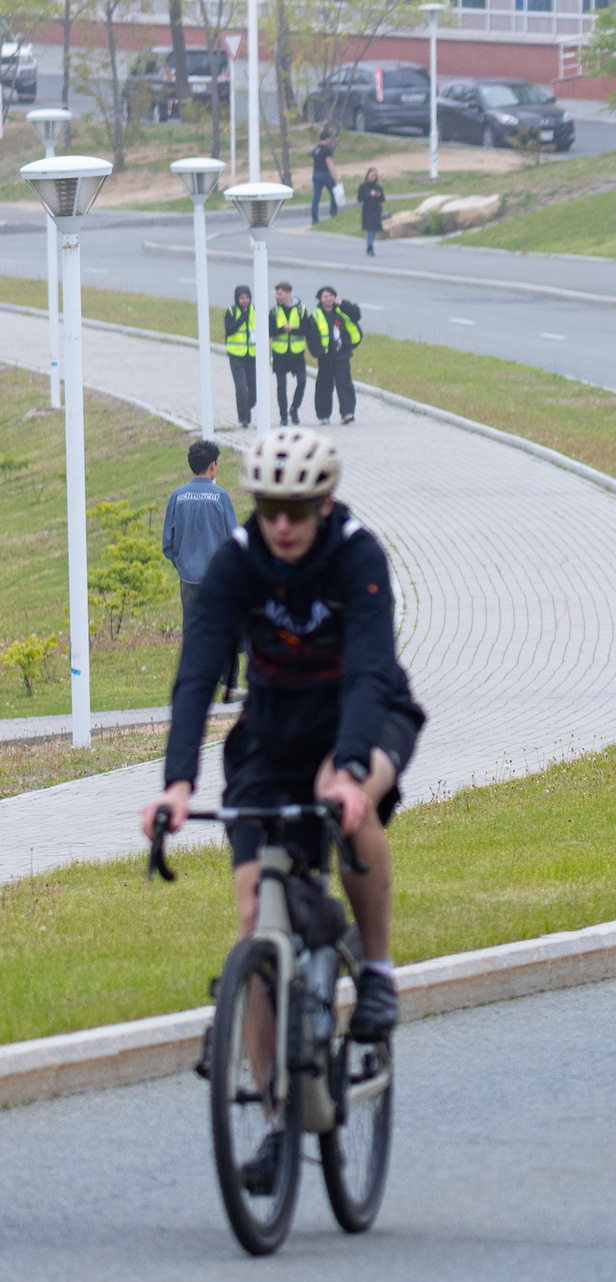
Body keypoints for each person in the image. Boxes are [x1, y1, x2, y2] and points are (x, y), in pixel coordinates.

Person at [141, 428, 427, 1193]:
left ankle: (375, 969)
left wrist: (350, 775)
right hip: (271, 733)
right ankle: (273, 1117)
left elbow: (369, 670)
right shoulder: (240, 557)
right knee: (250, 918)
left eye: (298, 508)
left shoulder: (357, 554)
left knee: (353, 803)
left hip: (362, 717)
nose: (283, 524)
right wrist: (175, 784)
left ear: (324, 501)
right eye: (271, 507)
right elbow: (197, 672)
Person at [159, 440, 240, 700]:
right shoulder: (221, 497)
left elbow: (168, 544)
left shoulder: (177, 496)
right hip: (219, 579)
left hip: (189, 578)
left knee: (194, 631)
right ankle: (230, 683)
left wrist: (182, 564)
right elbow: (234, 539)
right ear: (213, 466)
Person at [311, 286, 363, 424]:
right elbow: (312, 336)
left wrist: (343, 304)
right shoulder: (317, 315)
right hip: (326, 356)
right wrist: (318, 352)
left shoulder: (342, 311)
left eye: (331, 296)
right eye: (325, 296)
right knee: (324, 385)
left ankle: (347, 413)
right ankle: (323, 415)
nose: (329, 299)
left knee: (344, 382)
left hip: (342, 353)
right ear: (321, 299)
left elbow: (357, 314)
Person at [269, 281, 317, 425]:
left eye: (281, 294)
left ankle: (294, 409)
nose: (279, 297)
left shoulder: (301, 310)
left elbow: (307, 330)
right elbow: (269, 331)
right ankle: (283, 415)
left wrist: (293, 330)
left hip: (296, 353)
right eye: (277, 294)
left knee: (302, 381)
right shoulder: (274, 311)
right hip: (280, 353)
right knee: (281, 386)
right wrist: (282, 329)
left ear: (289, 293)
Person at [221, 285, 257, 427]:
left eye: (247, 297)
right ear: (237, 298)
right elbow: (229, 330)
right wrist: (243, 317)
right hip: (236, 355)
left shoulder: (255, 310)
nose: (245, 301)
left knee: (254, 388)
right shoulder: (231, 311)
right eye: (242, 298)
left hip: (252, 354)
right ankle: (243, 417)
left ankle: (247, 407)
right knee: (241, 386)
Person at [308, 128, 337, 225]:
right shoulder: (327, 150)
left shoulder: (316, 149)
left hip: (316, 174)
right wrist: (335, 176)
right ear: (328, 139)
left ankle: (314, 219)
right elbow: (329, 163)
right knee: (334, 192)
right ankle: (334, 213)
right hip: (325, 174)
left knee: (316, 197)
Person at [356, 168, 386, 256]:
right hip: (367, 210)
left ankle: (370, 244)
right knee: (369, 229)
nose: (372, 177)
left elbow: (383, 199)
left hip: (376, 210)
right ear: (367, 175)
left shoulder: (378, 187)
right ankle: (370, 246)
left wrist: (378, 194)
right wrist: (369, 194)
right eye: (371, 175)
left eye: (374, 176)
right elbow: (360, 198)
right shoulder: (363, 186)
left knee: (374, 229)